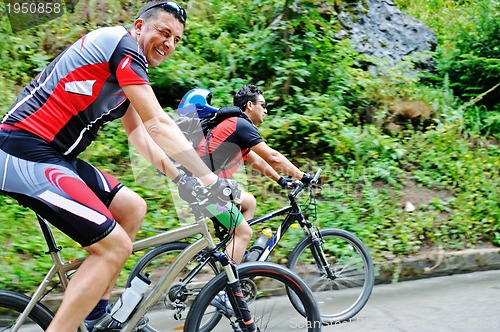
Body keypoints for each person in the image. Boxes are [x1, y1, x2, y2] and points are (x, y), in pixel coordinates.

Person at [0, 2, 233, 331]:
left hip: (54, 156)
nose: (169, 43)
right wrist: (209, 177)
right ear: (139, 26)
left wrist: (182, 177)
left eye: (176, 39)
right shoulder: (124, 47)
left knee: (132, 208)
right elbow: (157, 124)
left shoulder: (127, 68)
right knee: (115, 247)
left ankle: (96, 315)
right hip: (21, 151)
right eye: (163, 32)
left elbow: (140, 135)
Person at [195, 84, 314, 264]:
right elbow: (273, 157)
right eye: (263, 105)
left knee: (249, 202)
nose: (265, 111)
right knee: (245, 233)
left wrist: (281, 180)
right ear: (250, 105)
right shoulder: (240, 124)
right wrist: (303, 176)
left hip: (208, 186)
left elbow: (257, 161)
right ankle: (225, 285)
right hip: (207, 190)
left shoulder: (234, 125)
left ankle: (235, 253)